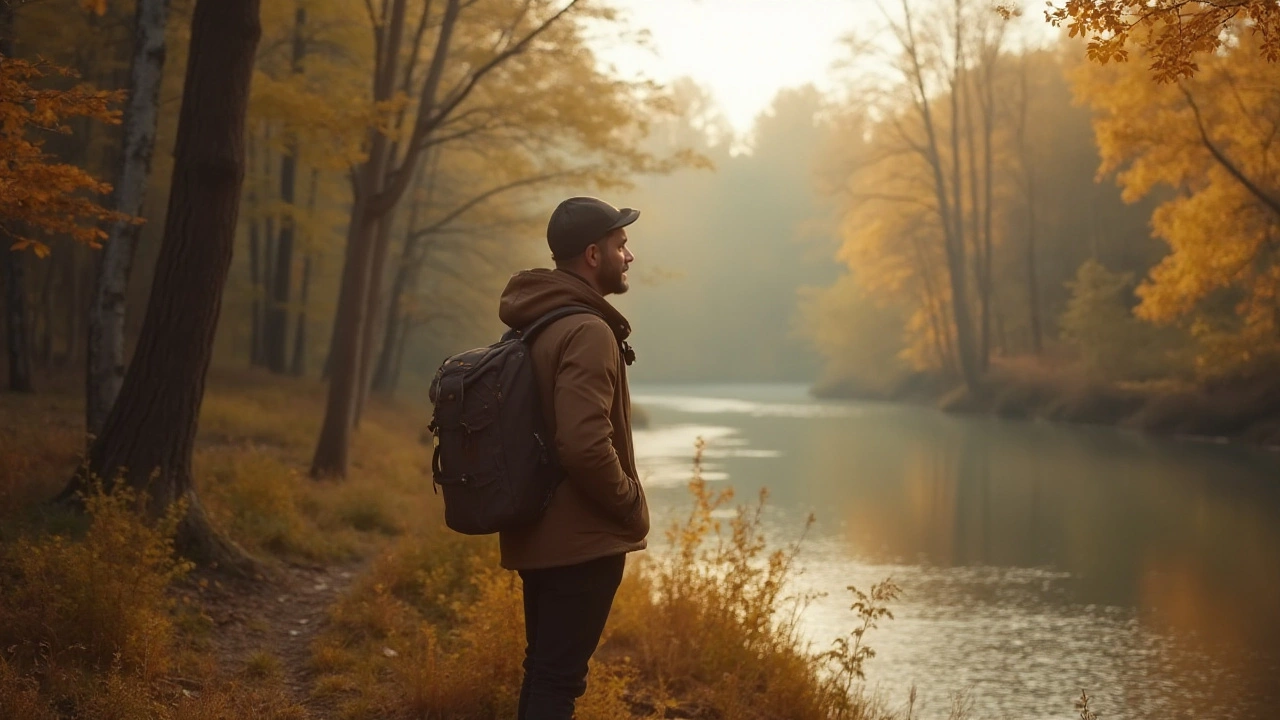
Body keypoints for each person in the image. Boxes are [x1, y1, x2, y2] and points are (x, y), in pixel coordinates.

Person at [497, 196, 651, 720]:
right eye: (621, 245)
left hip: (539, 532)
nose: (628, 256)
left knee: (543, 673)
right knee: (558, 683)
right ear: (592, 254)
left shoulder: (537, 320)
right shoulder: (587, 329)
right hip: (580, 543)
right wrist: (628, 503)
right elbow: (583, 444)